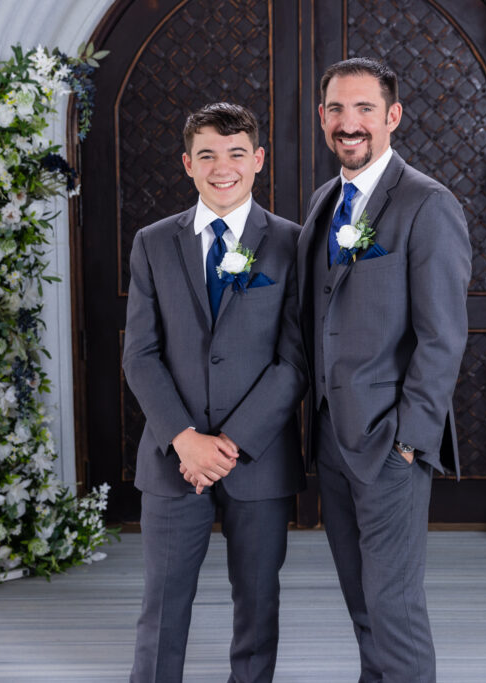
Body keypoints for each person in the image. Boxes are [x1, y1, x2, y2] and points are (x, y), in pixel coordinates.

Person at [295, 57, 470, 682]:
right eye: (337, 110)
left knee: (394, 608)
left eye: (365, 109)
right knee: (363, 604)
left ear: (392, 116)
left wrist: (408, 443)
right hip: (332, 439)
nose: (350, 123)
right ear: (322, 119)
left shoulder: (428, 205)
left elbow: (442, 337)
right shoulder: (324, 201)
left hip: (389, 443)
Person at [123, 102, 305, 683]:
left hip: (259, 458)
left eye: (234, 154)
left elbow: (294, 360)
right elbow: (141, 354)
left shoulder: (291, 244)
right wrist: (185, 440)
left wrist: (228, 443)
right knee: (163, 604)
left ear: (257, 160)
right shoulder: (153, 243)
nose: (220, 167)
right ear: (187, 164)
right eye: (206, 155)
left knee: (257, 604)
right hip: (173, 457)